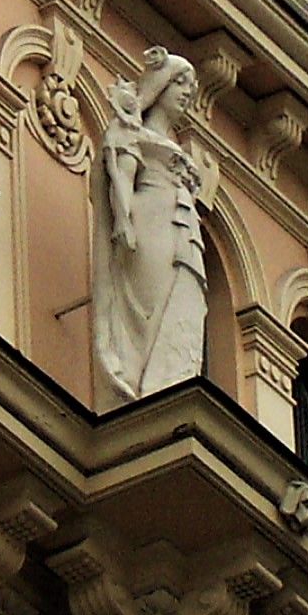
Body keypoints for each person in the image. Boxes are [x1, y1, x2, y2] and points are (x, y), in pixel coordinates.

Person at [94, 47, 208, 403]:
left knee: (187, 302)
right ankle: (142, 383)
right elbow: (122, 177)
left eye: (191, 85)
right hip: (151, 225)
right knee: (149, 309)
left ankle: (170, 385)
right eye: (180, 82)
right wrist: (124, 222)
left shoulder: (169, 143)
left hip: (183, 233)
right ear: (160, 87)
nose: (188, 92)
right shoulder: (132, 133)